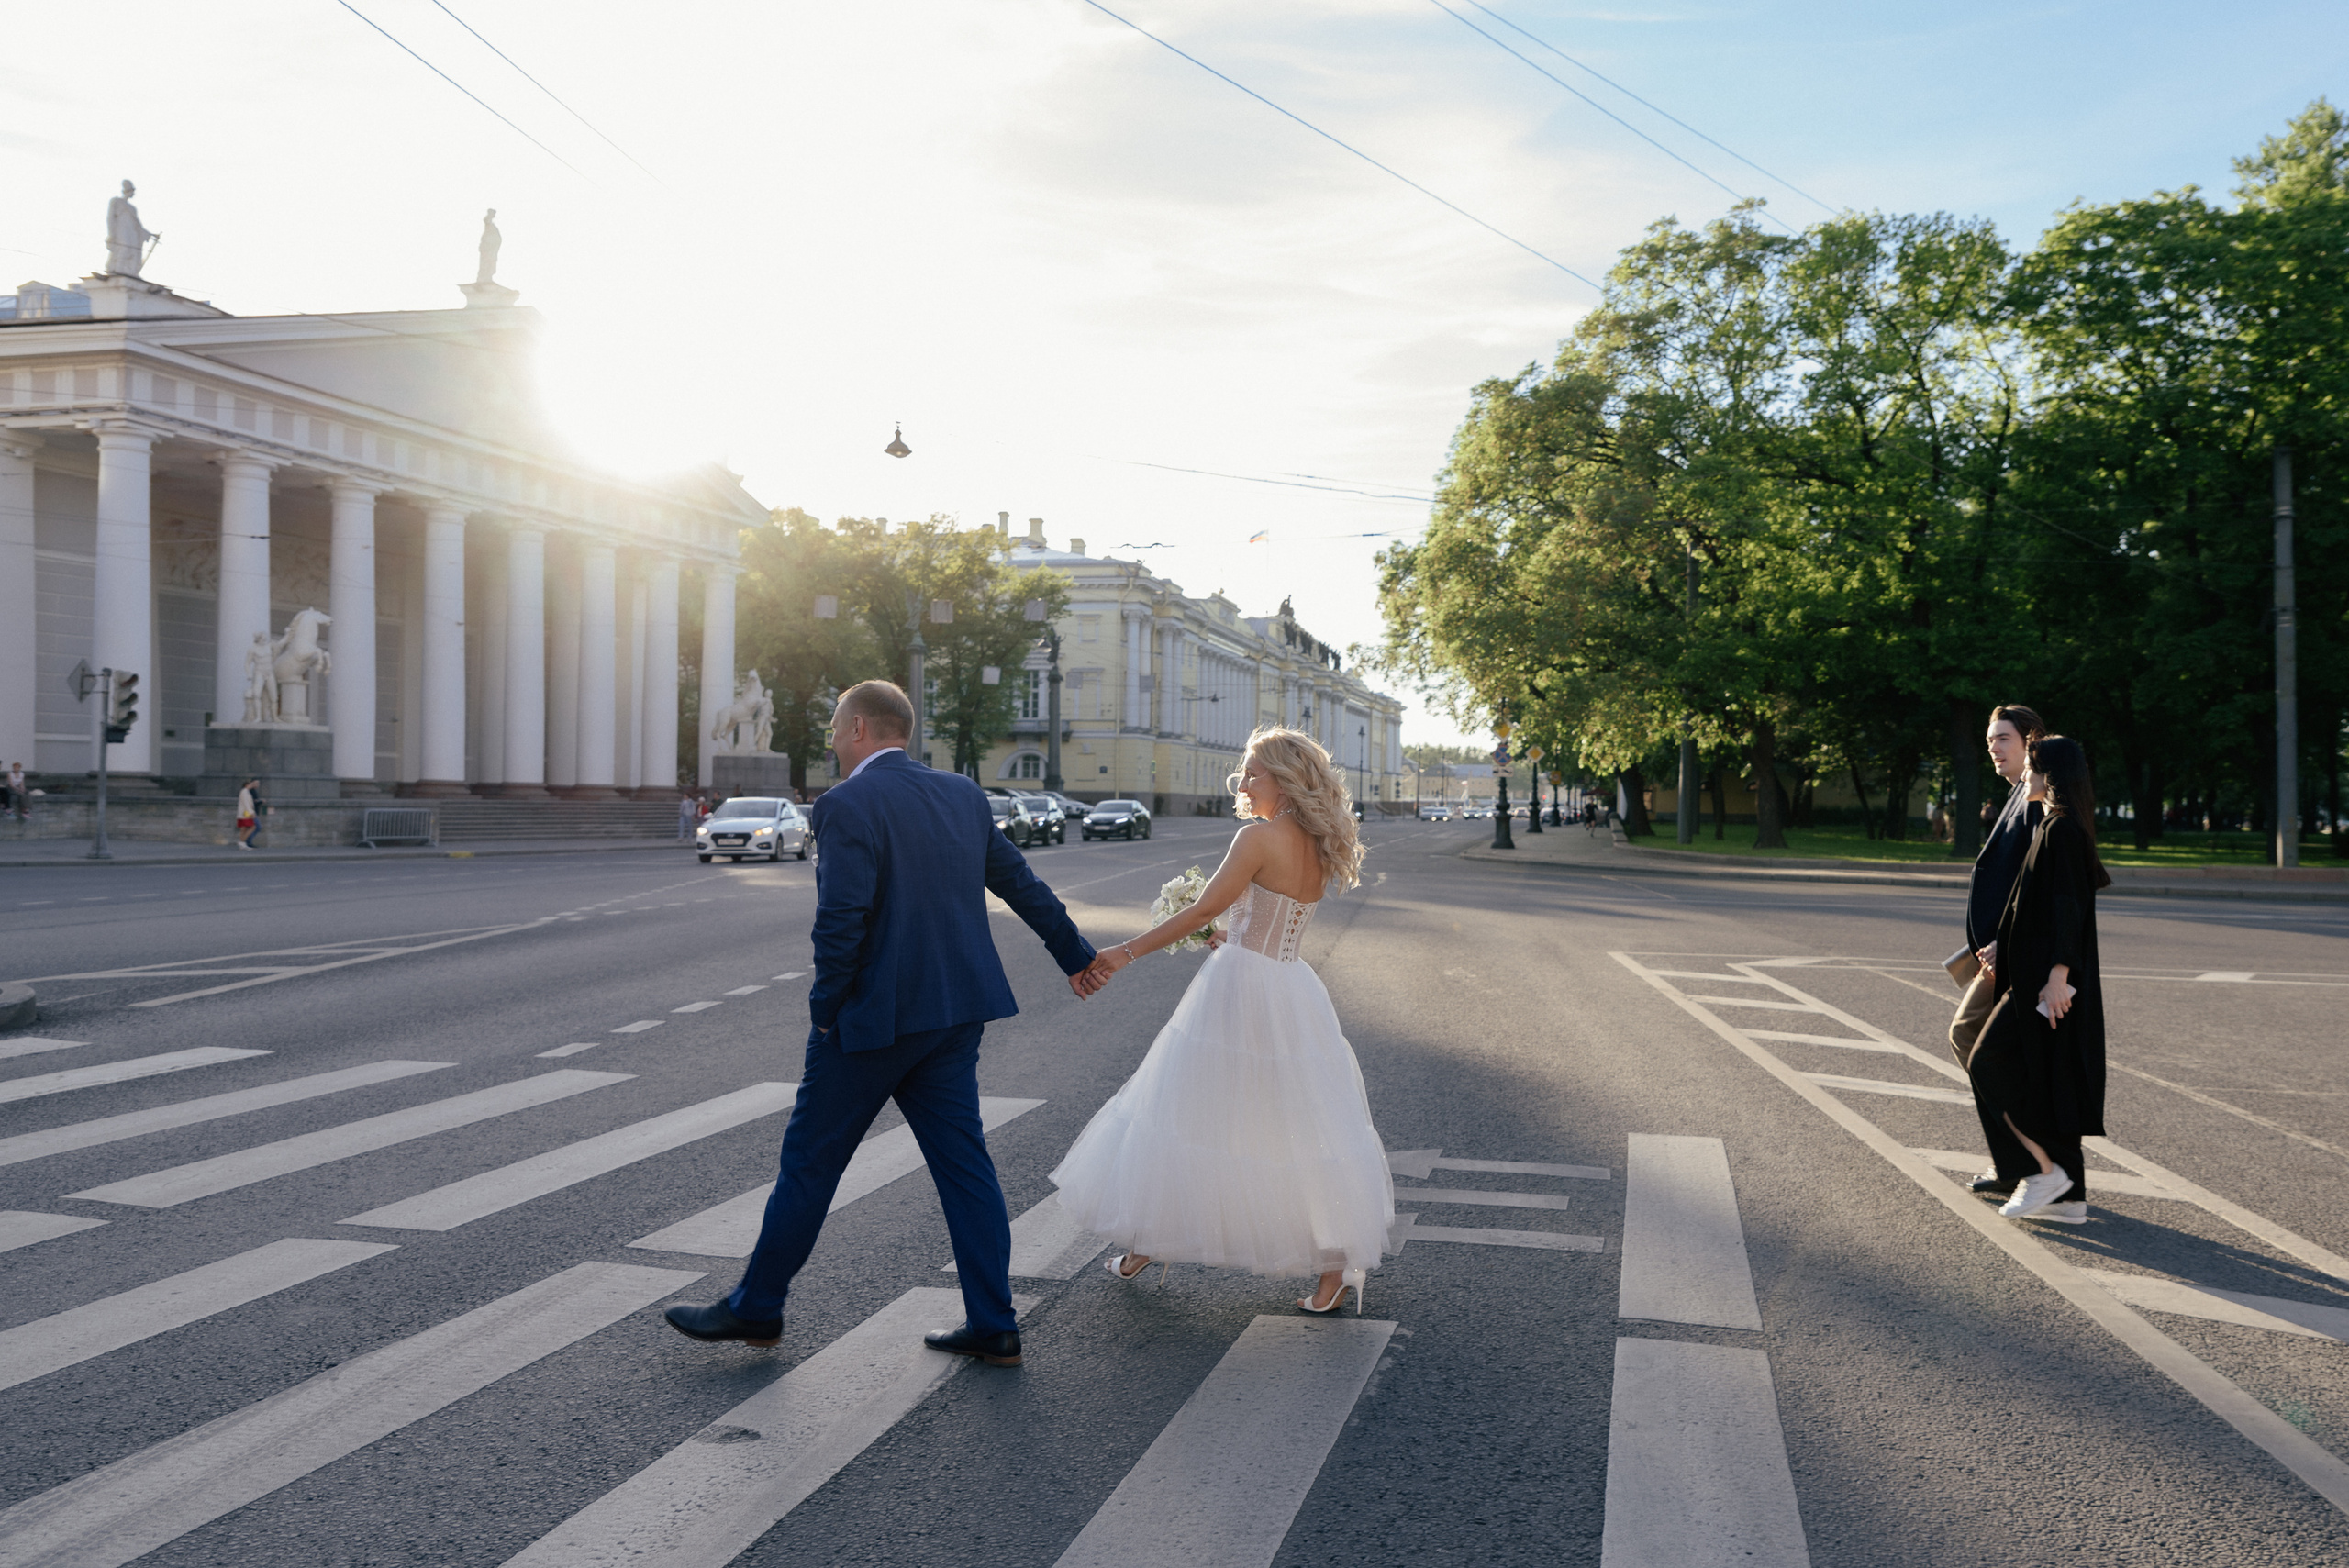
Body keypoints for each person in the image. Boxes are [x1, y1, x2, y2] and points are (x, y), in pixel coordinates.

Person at [662, 680, 1098, 1365]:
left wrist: (825, 1010)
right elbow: (1021, 883)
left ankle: (757, 1306)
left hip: (873, 1020)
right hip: (954, 1013)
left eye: (836, 731)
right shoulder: (962, 794)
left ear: (860, 728)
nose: (834, 744)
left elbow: (842, 920)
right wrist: (1076, 956)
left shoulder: (846, 802)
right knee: (966, 1169)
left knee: (810, 1164)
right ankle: (994, 1322)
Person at [1052, 727, 1395, 1316]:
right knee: (1301, 1123)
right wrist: (1222, 936)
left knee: (1186, 1109)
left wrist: (1124, 953)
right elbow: (1258, 926)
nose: (1243, 784)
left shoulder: (1257, 837)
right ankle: (1333, 1268)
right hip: (1290, 987)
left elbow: (1205, 908)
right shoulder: (1318, 843)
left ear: (1284, 780)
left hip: (1239, 990)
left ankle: (1148, 1241)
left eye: (1254, 773)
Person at [235, 777, 262, 850]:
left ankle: (242, 843)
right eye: (250, 784)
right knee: (253, 827)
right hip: (246, 814)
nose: (251, 785)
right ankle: (242, 842)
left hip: (245, 813)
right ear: (246, 785)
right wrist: (252, 813)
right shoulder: (245, 792)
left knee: (244, 829)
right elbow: (246, 804)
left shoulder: (246, 792)